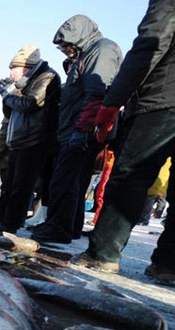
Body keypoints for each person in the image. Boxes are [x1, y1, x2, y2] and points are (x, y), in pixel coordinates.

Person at [74, 0, 175, 283]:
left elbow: (151, 43)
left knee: (132, 175)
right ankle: (168, 264)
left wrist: (115, 98)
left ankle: (103, 254)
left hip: (164, 99)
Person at [31, 14, 122, 244]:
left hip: (84, 129)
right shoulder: (87, 54)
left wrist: (82, 129)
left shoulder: (102, 50)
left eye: (65, 44)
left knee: (64, 179)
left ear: (78, 37)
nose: (62, 49)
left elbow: (97, 92)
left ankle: (59, 227)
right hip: (77, 128)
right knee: (74, 180)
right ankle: (68, 226)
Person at [0, 46, 61, 232]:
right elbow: (10, 112)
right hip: (18, 139)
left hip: (35, 138)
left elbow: (31, 104)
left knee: (21, 185)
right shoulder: (24, 83)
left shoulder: (47, 76)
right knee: (9, 185)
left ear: (24, 67)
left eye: (13, 69)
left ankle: (11, 223)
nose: (11, 73)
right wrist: (9, 94)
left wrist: (9, 93)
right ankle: (1, 218)